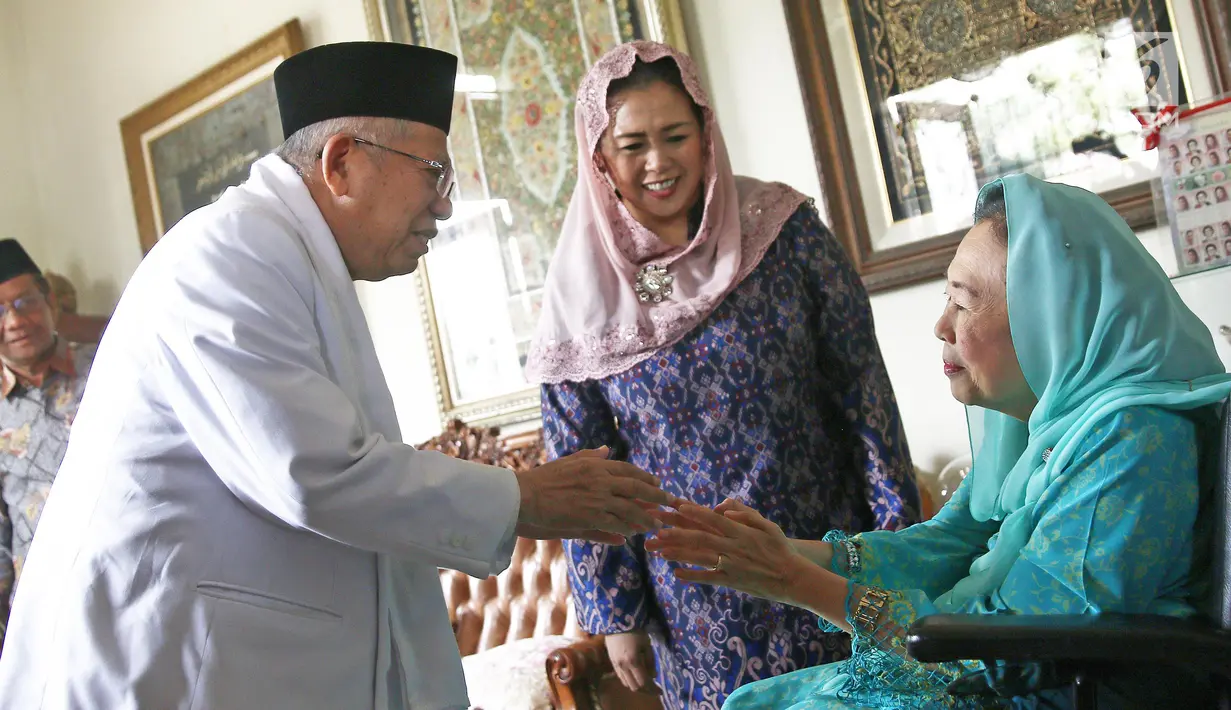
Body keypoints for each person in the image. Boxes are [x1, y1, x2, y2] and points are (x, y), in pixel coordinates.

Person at [0, 42, 676, 710]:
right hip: (153, 671)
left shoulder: (291, 260)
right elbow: (313, 474)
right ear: (342, 163)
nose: (444, 204)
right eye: (433, 172)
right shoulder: (227, 255)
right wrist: (523, 498)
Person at [649, 174, 1231, 708]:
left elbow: (1019, 643)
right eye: (945, 299)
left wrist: (792, 581)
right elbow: (949, 544)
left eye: (965, 301)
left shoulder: (1135, 440)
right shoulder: (1043, 423)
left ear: (1051, 317)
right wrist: (790, 553)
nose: (941, 326)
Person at [525, 41, 919, 709]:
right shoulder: (580, 295)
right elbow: (584, 473)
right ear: (600, 158)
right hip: (698, 605)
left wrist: (897, 540)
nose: (658, 162)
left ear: (706, 134)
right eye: (633, 144)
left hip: (826, 558)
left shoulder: (785, 233)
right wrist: (616, 617)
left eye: (675, 135)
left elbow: (861, 391)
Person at [0, 241, 98, 653]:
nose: (15, 320)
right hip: (44, 612)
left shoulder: (109, 365)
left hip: (136, 577)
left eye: (25, 301)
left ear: (51, 301)